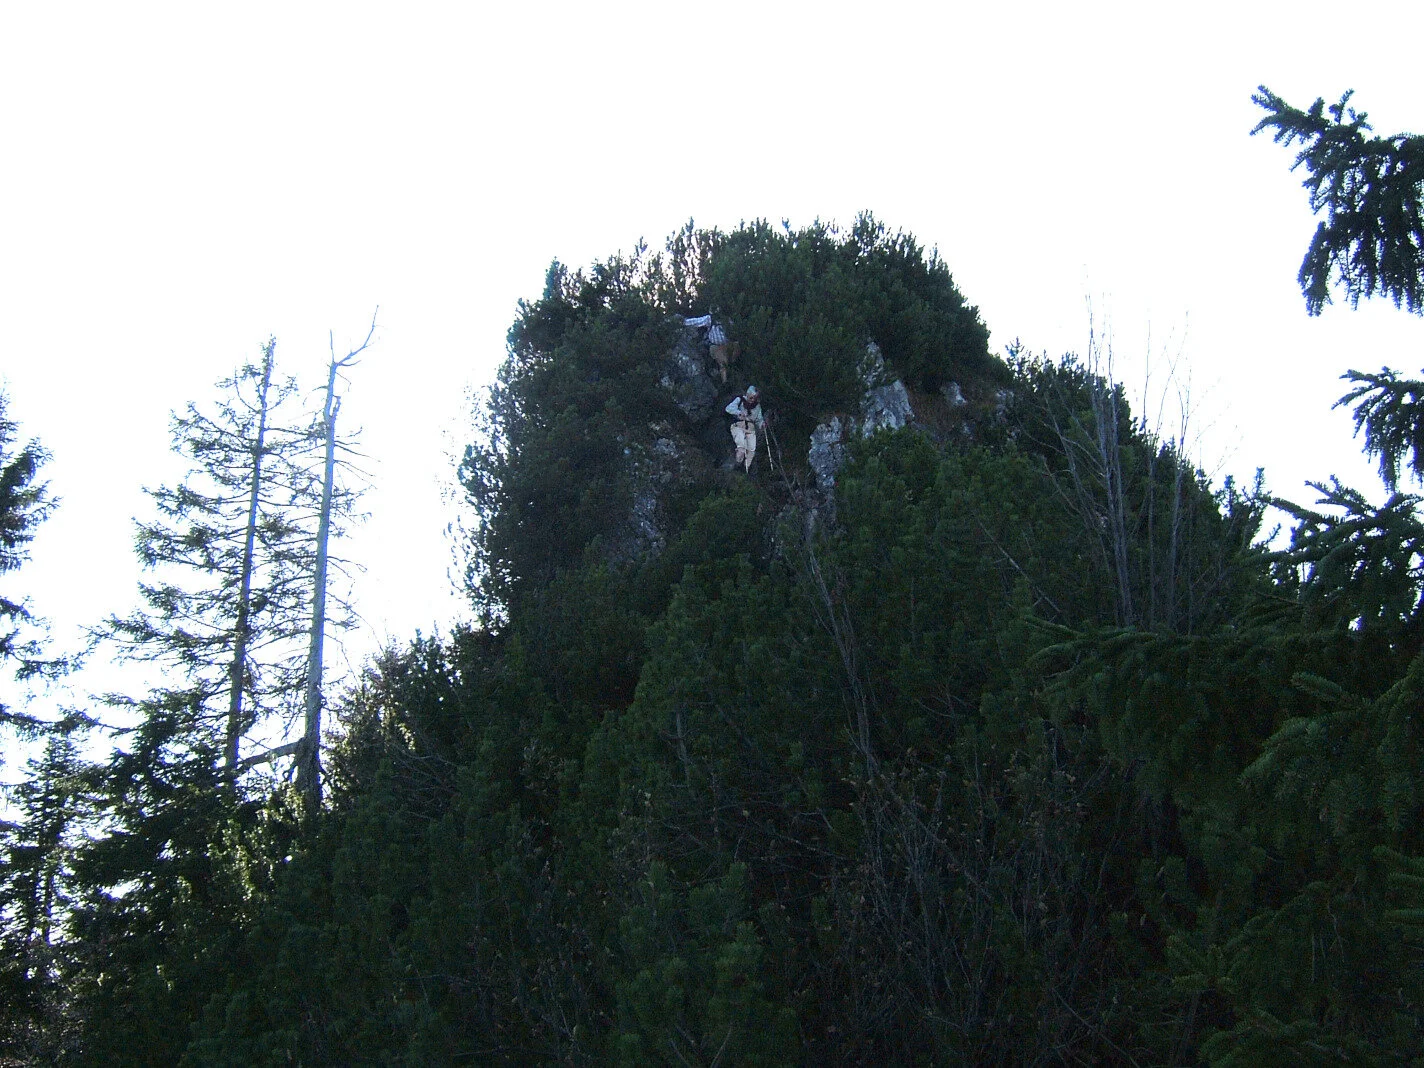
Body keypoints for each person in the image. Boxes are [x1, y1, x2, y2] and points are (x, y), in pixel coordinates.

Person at [684, 314, 735, 383]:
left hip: (727, 345)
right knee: (723, 362)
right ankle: (725, 383)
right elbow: (696, 321)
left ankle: (733, 369)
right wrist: (682, 322)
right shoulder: (710, 319)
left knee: (736, 347)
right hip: (715, 346)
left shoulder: (727, 320)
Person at [725, 385, 764, 472]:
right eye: (751, 397)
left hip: (750, 428)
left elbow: (759, 419)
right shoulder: (740, 400)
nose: (753, 399)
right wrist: (739, 413)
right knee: (741, 447)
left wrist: (762, 424)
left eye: (755, 398)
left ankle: (745, 470)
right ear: (747, 394)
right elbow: (728, 408)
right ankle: (736, 466)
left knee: (751, 451)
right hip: (738, 425)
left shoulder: (757, 406)